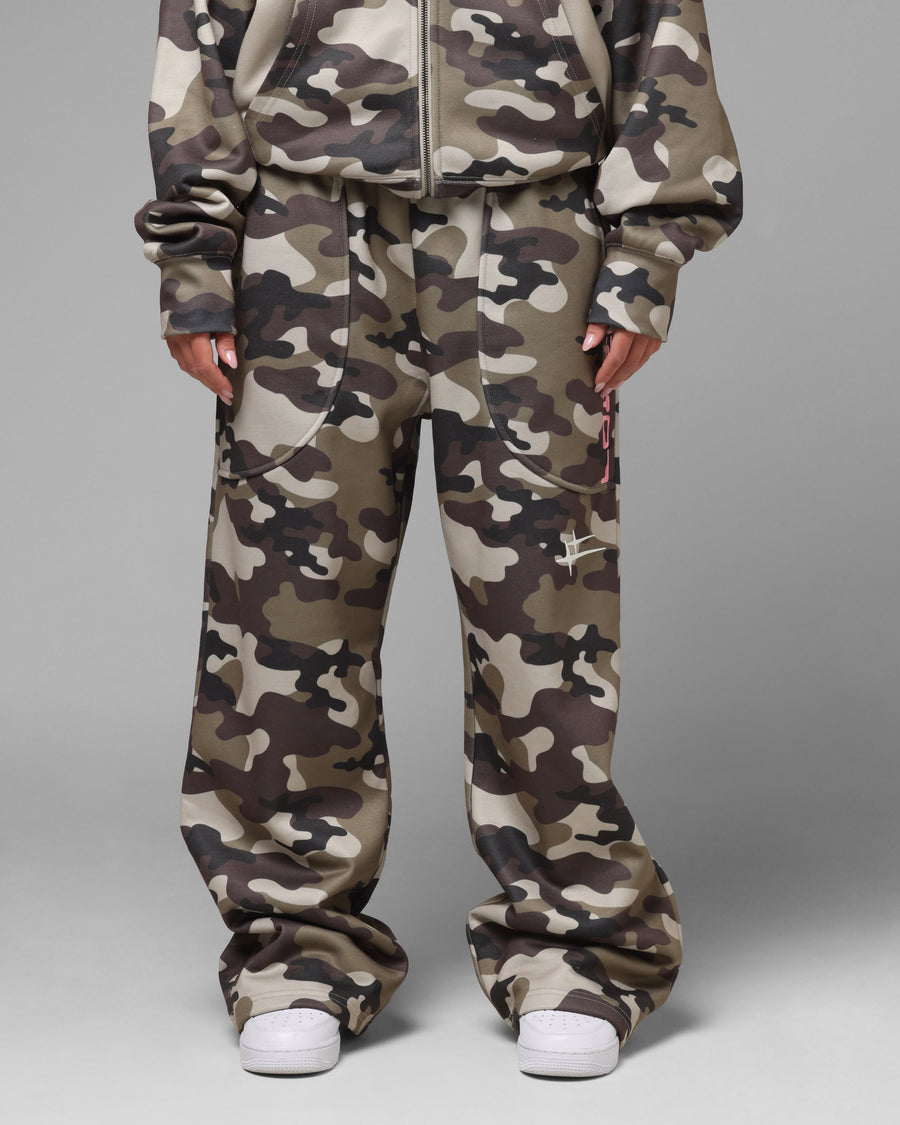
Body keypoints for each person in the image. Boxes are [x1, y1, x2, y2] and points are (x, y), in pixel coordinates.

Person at [135, 0, 741, 1078]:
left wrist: (646, 255)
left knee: (545, 612)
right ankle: (295, 949)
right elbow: (201, 34)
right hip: (304, 232)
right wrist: (196, 259)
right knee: (283, 611)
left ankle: (578, 948)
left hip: (536, 226)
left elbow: (661, 31)